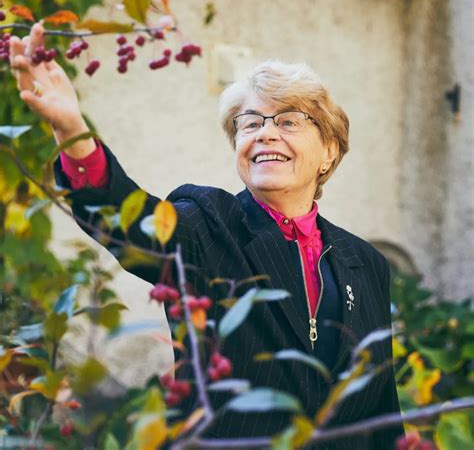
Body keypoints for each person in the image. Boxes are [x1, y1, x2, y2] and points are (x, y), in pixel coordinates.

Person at [10, 24, 404, 449]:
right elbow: (129, 223)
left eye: (289, 120)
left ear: (329, 150)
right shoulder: (207, 225)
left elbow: (381, 410)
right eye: (249, 123)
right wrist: (73, 133)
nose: (265, 133)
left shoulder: (365, 263)